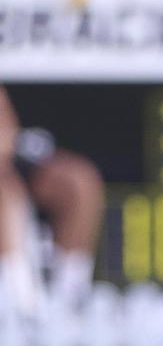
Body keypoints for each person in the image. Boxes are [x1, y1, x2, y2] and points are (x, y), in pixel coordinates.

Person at [0, 85, 105, 313]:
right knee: (3, 189)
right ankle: (21, 305)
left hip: (14, 165)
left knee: (78, 181)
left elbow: (5, 137)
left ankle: (69, 300)